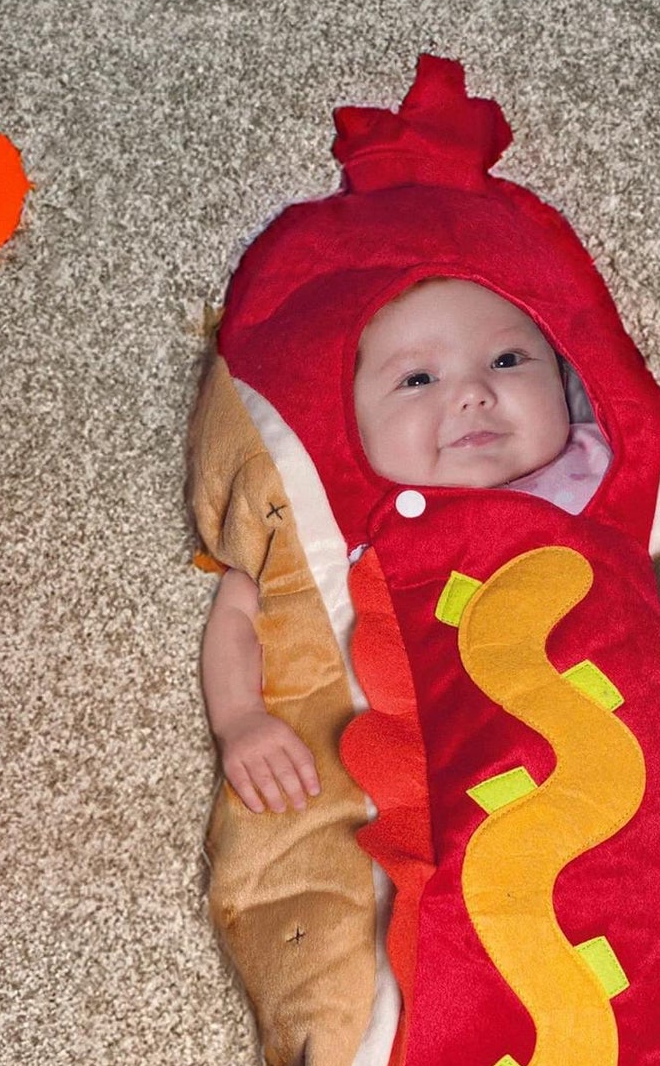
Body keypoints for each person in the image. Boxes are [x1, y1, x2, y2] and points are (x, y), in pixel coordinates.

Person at [199, 276, 609, 814]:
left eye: (508, 360)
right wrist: (239, 718)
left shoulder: (597, 465)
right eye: (418, 379)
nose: (472, 393)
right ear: (351, 425)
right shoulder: (344, 521)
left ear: (562, 378)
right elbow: (241, 604)